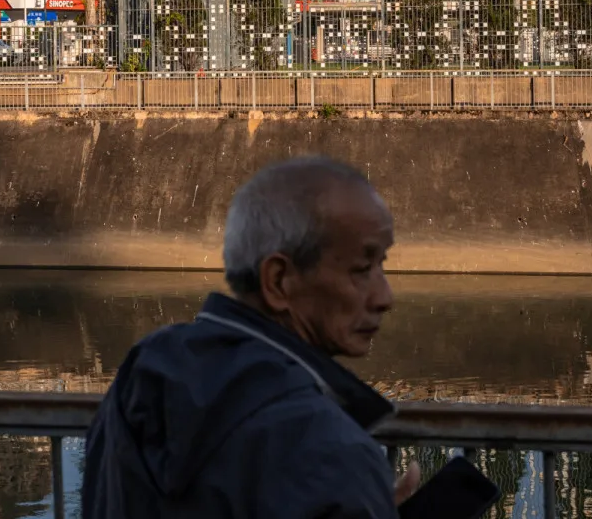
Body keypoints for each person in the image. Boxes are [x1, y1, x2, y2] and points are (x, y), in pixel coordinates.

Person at [83, 156, 417, 518]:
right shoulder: (333, 453)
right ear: (277, 281)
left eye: (382, 264)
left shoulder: (142, 376)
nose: (385, 298)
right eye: (362, 269)